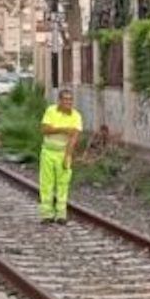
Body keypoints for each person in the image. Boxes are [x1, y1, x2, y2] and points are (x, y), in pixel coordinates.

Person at [38, 88, 83, 224]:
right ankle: (47, 214)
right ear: (59, 101)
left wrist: (67, 157)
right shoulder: (51, 111)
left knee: (63, 184)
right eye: (65, 100)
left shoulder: (76, 116)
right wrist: (63, 129)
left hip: (63, 152)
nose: (68, 102)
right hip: (48, 152)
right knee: (47, 183)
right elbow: (45, 130)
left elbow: (74, 137)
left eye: (70, 100)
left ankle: (61, 214)